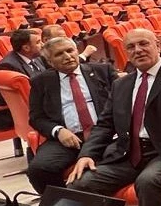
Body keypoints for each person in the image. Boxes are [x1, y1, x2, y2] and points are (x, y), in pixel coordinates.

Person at [66, 29, 161, 206]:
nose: (138, 50)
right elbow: (105, 124)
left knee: (148, 182)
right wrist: (87, 154)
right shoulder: (121, 84)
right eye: (131, 47)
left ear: (157, 45)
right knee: (79, 183)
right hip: (126, 153)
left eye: (143, 44)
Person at [27, 37, 116, 194]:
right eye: (59, 54)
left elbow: (124, 103)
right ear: (50, 61)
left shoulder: (103, 71)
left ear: (77, 51)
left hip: (105, 134)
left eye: (70, 51)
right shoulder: (41, 81)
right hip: (67, 138)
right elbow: (36, 117)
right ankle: (66, 203)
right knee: (38, 169)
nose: (67, 56)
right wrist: (58, 131)